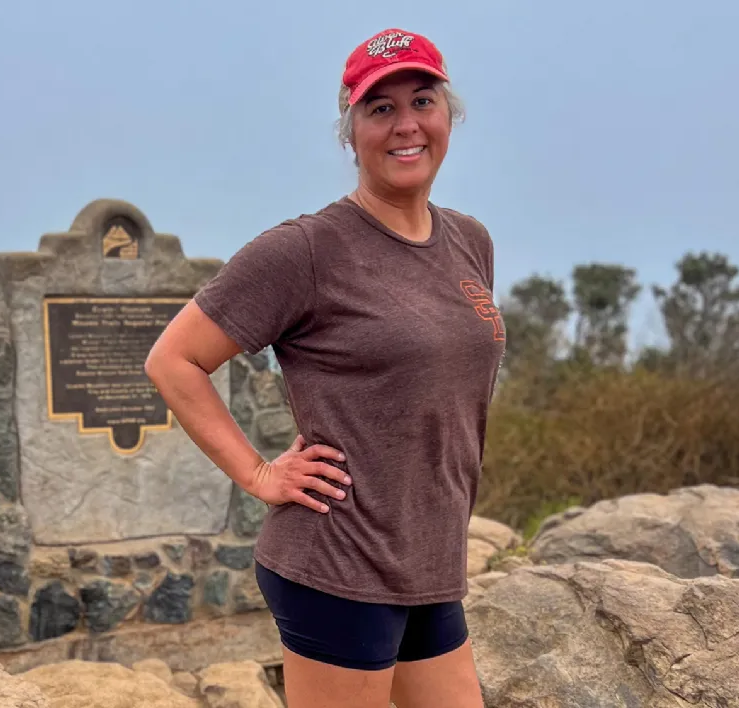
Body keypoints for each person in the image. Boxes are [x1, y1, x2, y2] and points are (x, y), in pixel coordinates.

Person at [144, 27, 503, 708]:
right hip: (338, 561)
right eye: (379, 109)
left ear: (448, 115)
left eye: (422, 101)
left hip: (429, 562)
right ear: (351, 131)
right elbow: (174, 360)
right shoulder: (307, 251)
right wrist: (257, 473)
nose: (406, 125)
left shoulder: (470, 241)